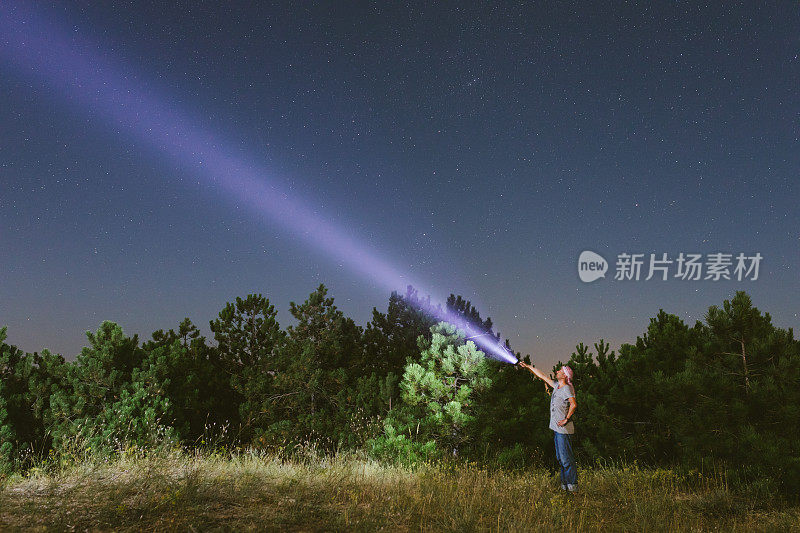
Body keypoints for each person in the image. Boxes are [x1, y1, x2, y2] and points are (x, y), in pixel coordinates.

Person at [519, 361, 578, 492]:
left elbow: (573, 404)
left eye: (559, 371)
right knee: (561, 459)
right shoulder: (557, 386)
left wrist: (566, 419)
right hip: (557, 430)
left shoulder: (566, 388)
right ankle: (565, 487)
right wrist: (528, 367)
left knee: (566, 460)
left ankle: (573, 488)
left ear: (564, 375)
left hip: (564, 430)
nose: (556, 371)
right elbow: (543, 376)